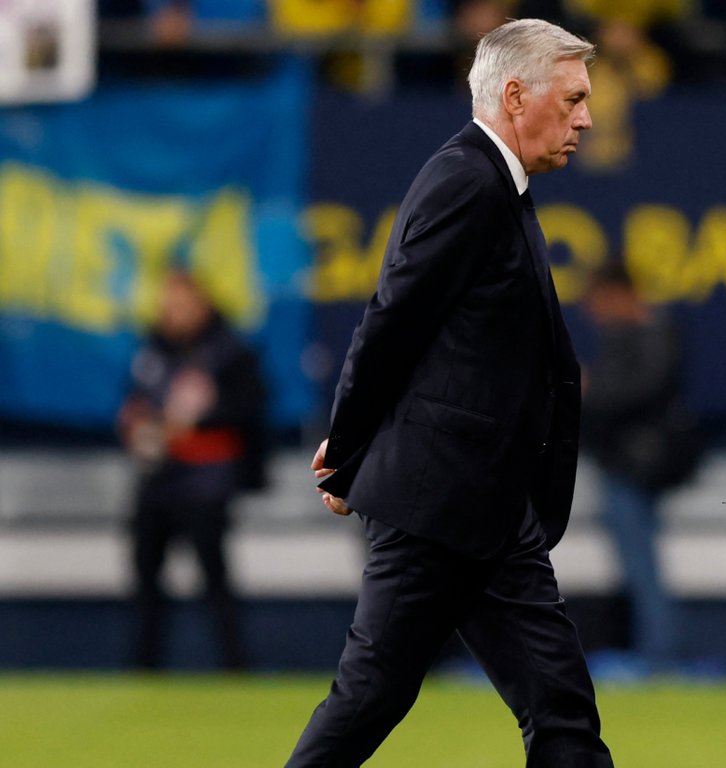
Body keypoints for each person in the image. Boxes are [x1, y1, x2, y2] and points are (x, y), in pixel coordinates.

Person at [288, 19, 613, 768]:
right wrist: (348, 449)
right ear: (514, 96)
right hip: (438, 504)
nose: (587, 120)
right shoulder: (468, 180)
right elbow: (393, 320)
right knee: (370, 697)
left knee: (561, 712)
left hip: (489, 507)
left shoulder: (492, 182)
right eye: (573, 100)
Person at [118, 269, 267, 670]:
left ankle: (234, 666)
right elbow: (134, 400)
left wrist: (196, 422)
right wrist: (137, 423)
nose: (175, 313)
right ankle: (144, 667)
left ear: (202, 304)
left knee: (214, 579)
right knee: (146, 576)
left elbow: (249, 409)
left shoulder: (229, 352)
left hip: (206, 481)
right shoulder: (153, 352)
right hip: (157, 479)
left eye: (183, 304)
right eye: (169, 305)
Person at [581, 262, 701, 673]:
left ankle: (660, 655)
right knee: (636, 564)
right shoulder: (627, 337)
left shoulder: (654, 334)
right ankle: (654, 650)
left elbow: (641, 391)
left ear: (619, 293)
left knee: (642, 564)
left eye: (598, 300)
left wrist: (590, 388)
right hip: (620, 464)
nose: (594, 311)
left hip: (638, 467)